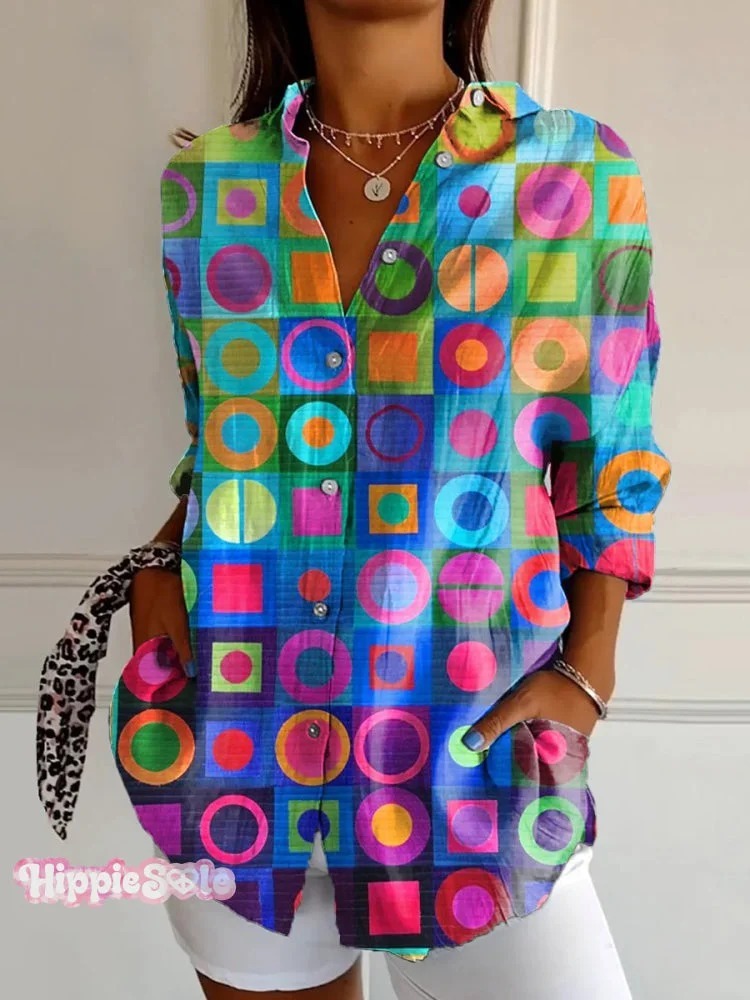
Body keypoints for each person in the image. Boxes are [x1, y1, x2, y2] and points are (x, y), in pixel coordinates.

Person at [124, 0, 672, 996]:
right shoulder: (207, 188)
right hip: (236, 752)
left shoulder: (573, 176)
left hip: (471, 765)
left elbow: (612, 458)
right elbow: (223, 442)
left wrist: (589, 672)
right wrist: (158, 570)